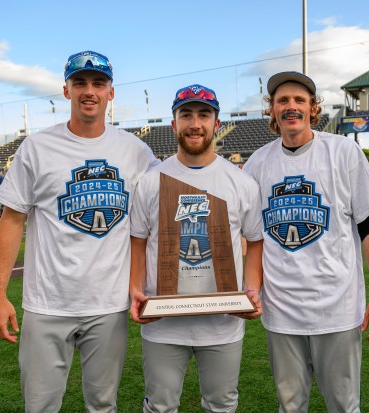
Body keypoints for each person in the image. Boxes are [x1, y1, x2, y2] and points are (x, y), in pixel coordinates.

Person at [0, 50, 158, 412]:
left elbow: (168, 200)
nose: (89, 91)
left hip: (109, 304)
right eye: (79, 82)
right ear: (66, 90)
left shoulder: (136, 151)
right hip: (47, 303)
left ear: (111, 92)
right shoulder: (36, 147)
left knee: (102, 404)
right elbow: (12, 220)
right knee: (41, 405)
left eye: (98, 83)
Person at [243, 72, 369, 413]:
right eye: (282, 101)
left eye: (299, 100)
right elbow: (247, 235)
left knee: (343, 404)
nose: (290, 106)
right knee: (290, 405)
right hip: (281, 310)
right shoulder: (256, 163)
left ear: (313, 109)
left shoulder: (343, 152)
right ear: (272, 111)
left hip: (336, 307)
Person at [129, 84, 264, 413]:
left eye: (204, 115)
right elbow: (137, 241)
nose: (195, 123)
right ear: (173, 124)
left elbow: (256, 241)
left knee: (221, 405)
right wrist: (134, 289)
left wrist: (251, 290)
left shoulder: (241, 182)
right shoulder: (149, 182)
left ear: (216, 124)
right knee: (159, 406)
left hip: (223, 323)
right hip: (162, 322)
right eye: (185, 114)